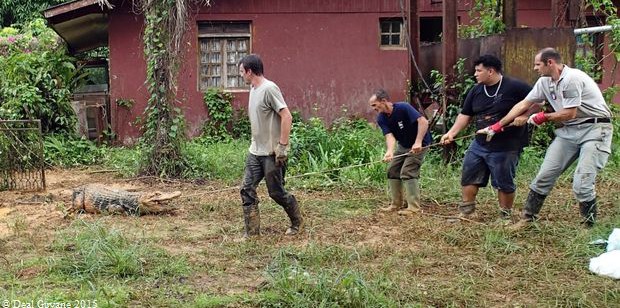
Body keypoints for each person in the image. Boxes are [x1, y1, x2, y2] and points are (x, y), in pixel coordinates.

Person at [478, 47, 613, 228]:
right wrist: (496, 127)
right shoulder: (544, 82)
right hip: (569, 132)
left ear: (550, 63)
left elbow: (570, 113)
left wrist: (543, 117)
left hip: (595, 129)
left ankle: (589, 225)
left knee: (583, 181)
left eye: (537, 64)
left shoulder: (572, 79)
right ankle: (527, 218)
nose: (535, 68)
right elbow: (524, 104)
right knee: (545, 175)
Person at [440, 55, 533, 221]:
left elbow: (538, 100)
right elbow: (465, 115)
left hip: (507, 144)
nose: (475, 74)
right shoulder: (476, 90)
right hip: (480, 143)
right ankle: (467, 213)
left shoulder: (515, 86)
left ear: (490, 71)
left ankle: (504, 217)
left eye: (478, 70)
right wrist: (452, 133)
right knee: (469, 173)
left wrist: (526, 115)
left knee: (503, 181)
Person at [238, 54, 303, 237]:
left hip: (271, 153)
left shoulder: (269, 88)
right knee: (246, 188)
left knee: (276, 193)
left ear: (250, 71)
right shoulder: (253, 89)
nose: (242, 75)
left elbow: (287, 116)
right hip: (255, 151)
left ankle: (297, 221)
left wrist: (282, 146)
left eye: (242, 72)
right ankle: (251, 234)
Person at [369, 89, 432, 215]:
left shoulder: (403, 107)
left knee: (408, 171)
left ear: (384, 101)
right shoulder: (382, 118)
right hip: (403, 146)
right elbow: (389, 136)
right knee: (393, 170)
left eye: (374, 105)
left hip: (420, 145)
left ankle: (414, 208)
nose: (373, 108)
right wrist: (390, 151)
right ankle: (396, 204)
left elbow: (423, 122)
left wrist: (418, 142)